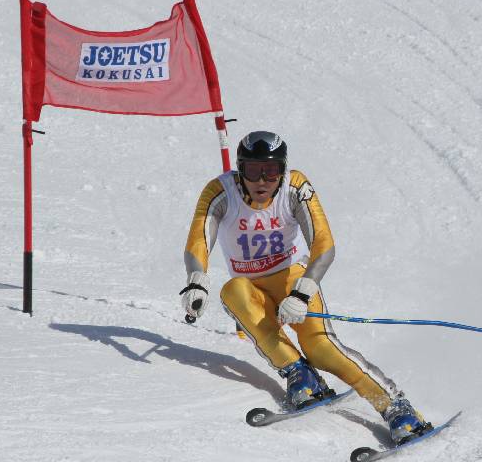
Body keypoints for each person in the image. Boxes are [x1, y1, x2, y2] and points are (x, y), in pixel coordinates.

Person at [180, 130, 430, 445]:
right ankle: (299, 373)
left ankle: (395, 406)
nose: (262, 180)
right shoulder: (220, 191)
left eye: (271, 171)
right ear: (239, 169)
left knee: (322, 348)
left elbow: (324, 244)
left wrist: (302, 291)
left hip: (292, 279)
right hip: (252, 288)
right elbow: (199, 239)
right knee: (232, 291)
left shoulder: (295, 187)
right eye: (253, 170)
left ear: (282, 170)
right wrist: (196, 279)